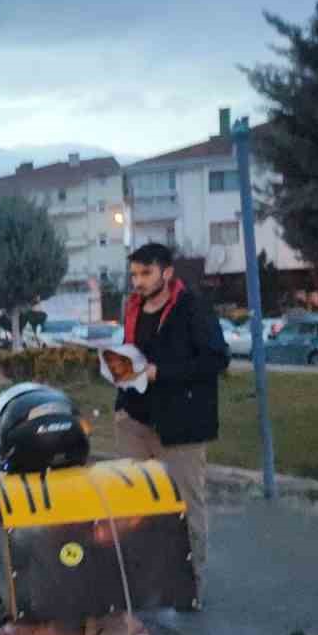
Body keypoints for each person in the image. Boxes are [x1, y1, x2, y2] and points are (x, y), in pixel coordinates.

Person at [112, 243, 229, 596]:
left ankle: (189, 583)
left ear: (167, 272)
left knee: (185, 504)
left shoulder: (192, 308)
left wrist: (160, 373)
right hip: (134, 419)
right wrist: (119, 368)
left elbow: (216, 360)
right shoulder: (133, 307)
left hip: (181, 426)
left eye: (146, 273)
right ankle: (140, 576)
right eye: (134, 274)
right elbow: (134, 351)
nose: (138, 282)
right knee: (133, 503)